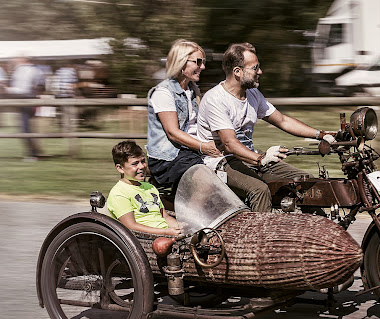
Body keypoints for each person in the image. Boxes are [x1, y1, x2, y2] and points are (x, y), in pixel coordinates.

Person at [197, 42, 335, 212]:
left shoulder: (252, 94)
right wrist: (261, 159)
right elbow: (229, 144)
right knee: (260, 190)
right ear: (237, 72)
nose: (260, 72)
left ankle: (309, 232)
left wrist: (321, 134)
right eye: (255, 68)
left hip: (250, 158)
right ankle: (259, 237)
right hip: (221, 162)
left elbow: (282, 120)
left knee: (305, 182)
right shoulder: (215, 99)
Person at [147, 39, 222, 194]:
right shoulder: (163, 92)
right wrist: (204, 147)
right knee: (208, 178)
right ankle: (195, 217)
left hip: (189, 151)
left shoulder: (193, 90)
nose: (203, 67)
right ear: (181, 62)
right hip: (167, 159)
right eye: (198, 62)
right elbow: (173, 133)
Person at [107, 140, 182, 236]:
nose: (142, 166)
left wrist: (181, 227)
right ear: (120, 168)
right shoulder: (119, 193)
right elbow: (131, 226)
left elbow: (165, 217)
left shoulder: (150, 188)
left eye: (143, 161)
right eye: (135, 163)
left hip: (166, 233)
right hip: (145, 238)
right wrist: (165, 232)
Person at [6, 56, 45, 160]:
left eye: (17, 59)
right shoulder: (37, 70)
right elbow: (41, 86)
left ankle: (33, 154)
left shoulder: (22, 70)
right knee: (28, 127)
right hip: (31, 99)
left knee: (25, 128)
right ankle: (36, 152)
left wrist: (7, 90)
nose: (15, 61)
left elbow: (21, 89)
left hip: (25, 100)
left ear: (24, 60)